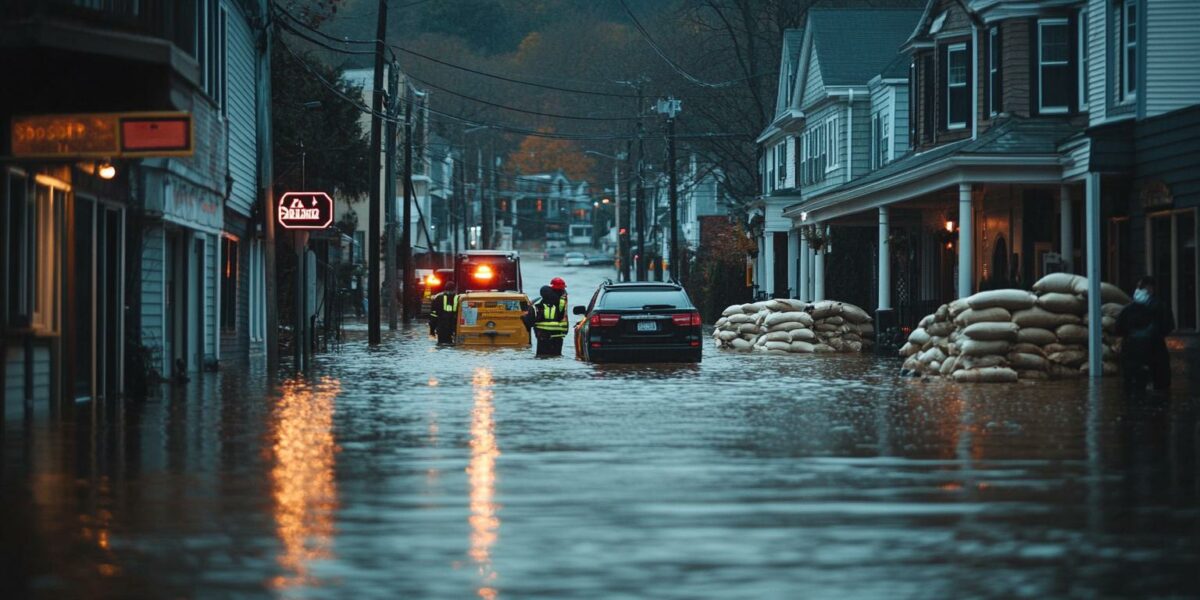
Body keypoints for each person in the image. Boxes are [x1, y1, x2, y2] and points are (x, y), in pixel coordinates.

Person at [1116, 276, 1175, 393]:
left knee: (1140, 385)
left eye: (1141, 287)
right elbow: (1168, 326)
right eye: (1138, 287)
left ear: (1150, 288)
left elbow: (1119, 328)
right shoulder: (1131, 309)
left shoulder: (1157, 307)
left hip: (1140, 352)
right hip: (1149, 352)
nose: (1138, 290)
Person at [531, 278, 569, 356]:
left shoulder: (541, 300)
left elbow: (532, 313)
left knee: (542, 356)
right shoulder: (562, 300)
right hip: (558, 332)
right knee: (556, 356)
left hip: (543, 332)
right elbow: (563, 315)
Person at [428, 280, 460, 345]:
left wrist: (432, 331)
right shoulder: (459, 298)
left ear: (444, 288)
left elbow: (433, 316)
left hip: (442, 328)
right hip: (455, 328)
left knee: (442, 344)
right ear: (455, 289)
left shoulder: (437, 298)